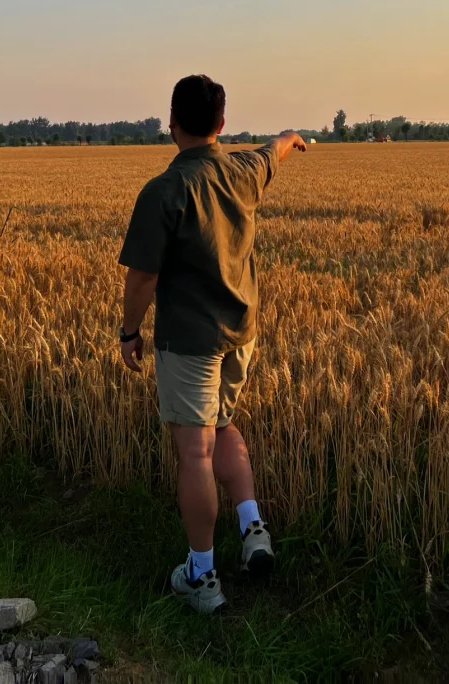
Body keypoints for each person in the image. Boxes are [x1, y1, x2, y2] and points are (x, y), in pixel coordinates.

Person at [117, 74, 307, 614]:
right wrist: (293, 137)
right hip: (240, 335)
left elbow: (142, 281)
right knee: (223, 425)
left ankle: (201, 575)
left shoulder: (164, 192)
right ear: (222, 125)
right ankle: (253, 530)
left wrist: (130, 333)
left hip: (191, 342)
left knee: (194, 450)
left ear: (170, 122)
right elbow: (274, 151)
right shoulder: (244, 170)